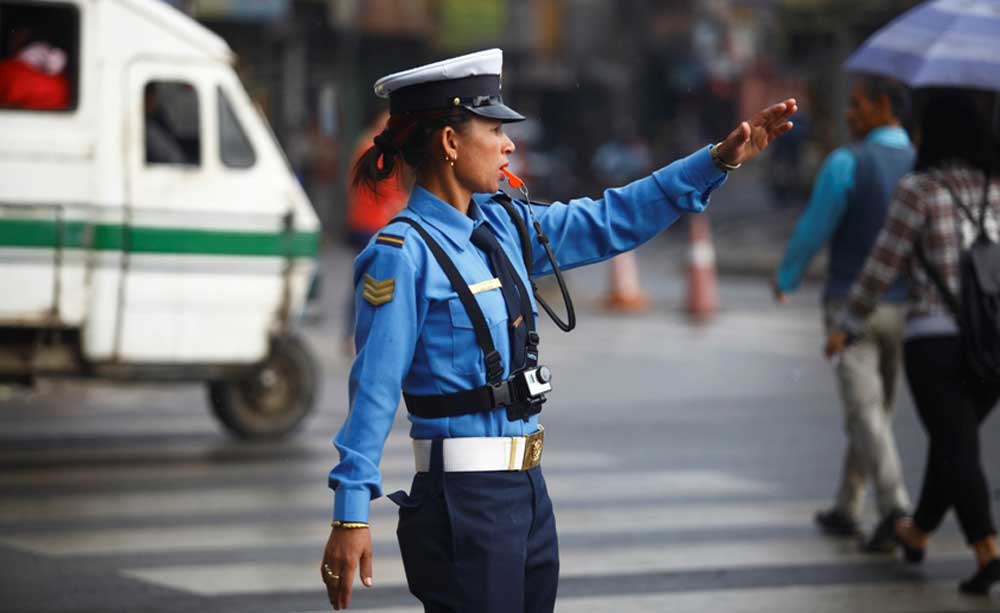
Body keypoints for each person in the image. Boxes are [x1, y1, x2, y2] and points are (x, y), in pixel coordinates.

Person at [320, 48, 796, 611]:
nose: (509, 144)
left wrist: (715, 161)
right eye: (495, 129)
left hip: (528, 492)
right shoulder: (402, 253)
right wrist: (351, 511)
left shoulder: (505, 226)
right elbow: (373, 389)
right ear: (450, 143)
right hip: (462, 503)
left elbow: (610, 218)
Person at [826, 91, 1000, 595]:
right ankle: (917, 531)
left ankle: (987, 550)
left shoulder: (919, 190)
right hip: (993, 344)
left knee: (956, 443)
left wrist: (847, 323)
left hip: (935, 340)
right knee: (956, 441)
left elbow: (883, 265)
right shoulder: (996, 188)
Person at [773, 75, 913, 552]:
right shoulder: (919, 163)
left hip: (850, 307)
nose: (850, 114)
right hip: (908, 309)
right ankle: (848, 506)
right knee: (875, 411)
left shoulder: (847, 162)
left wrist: (788, 275)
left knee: (866, 411)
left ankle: (896, 508)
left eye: (858, 105)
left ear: (884, 106)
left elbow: (815, 227)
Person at [341, 108, 409, 348]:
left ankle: (352, 334)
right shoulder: (377, 150)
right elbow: (387, 189)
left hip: (364, 220)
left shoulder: (363, 145)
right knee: (374, 280)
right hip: (374, 222)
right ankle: (361, 335)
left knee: (365, 277)